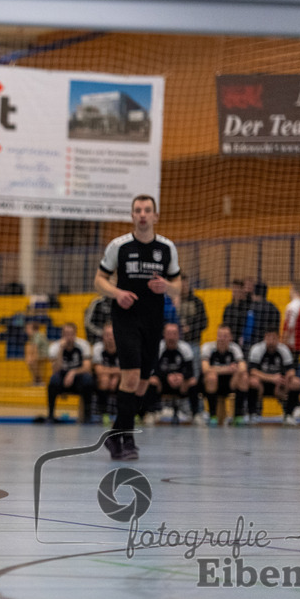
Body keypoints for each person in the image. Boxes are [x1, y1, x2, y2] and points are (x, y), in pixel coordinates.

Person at [94, 194, 181, 460]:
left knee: (142, 384)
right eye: (137, 210)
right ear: (132, 216)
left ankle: (114, 434)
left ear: (155, 216)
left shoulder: (167, 248)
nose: (142, 214)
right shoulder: (119, 246)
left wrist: (166, 287)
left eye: (147, 210)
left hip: (153, 322)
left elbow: (178, 286)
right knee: (130, 377)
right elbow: (99, 280)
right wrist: (116, 293)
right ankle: (127, 439)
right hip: (126, 319)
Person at [247, 329, 300, 425]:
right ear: (265, 338)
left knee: (296, 382)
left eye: (274, 338)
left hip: (280, 383)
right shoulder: (257, 349)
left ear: (278, 339)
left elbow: (291, 370)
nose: (271, 341)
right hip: (262, 383)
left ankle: (289, 415)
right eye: (268, 338)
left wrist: (284, 381)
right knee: (252, 381)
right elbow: (253, 371)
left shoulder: (283, 350)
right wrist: (272, 378)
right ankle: (252, 414)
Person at [146, 322, 198, 425]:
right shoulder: (158, 348)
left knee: (192, 381)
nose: (171, 337)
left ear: (178, 335)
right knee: (152, 380)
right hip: (163, 384)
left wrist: (182, 377)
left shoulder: (185, 348)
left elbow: (190, 371)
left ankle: (195, 415)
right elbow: (152, 369)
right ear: (164, 334)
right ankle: (150, 413)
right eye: (169, 333)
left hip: (181, 384)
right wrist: (166, 377)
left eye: (174, 333)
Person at [45, 322, 95, 423]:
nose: (68, 337)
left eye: (71, 334)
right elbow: (55, 370)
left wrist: (72, 372)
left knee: (88, 379)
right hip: (61, 377)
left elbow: (87, 368)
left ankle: (87, 416)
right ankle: (50, 415)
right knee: (53, 380)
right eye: (66, 334)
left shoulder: (83, 345)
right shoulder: (55, 347)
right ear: (62, 335)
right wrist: (61, 350)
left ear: (75, 334)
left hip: (78, 378)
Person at [200, 324, 247, 426]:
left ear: (230, 337)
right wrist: (227, 369)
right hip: (212, 385)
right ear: (216, 336)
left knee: (243, 377)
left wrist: (236, 370)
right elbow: (205, 369)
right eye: (220, 335)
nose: (222, 338)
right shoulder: (208, 347)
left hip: (230, 384)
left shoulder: (234, 348)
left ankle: (238, 416)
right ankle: (212, 416)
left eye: (225, 336)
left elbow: (243, 367)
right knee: (211, 376)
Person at [177, 274, 208, 380]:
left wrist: (190, 328)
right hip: (176, 343)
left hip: (193, 342)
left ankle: (194, 392)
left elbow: (204, 323)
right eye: (181, 284)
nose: (183, 286)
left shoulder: (197, 302)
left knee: (194, 370)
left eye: (185, 284)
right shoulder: (173, 300)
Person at [92, 323, 121, 422]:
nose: (110, 338)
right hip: (101, 380)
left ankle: (126, 413)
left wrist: (116, 378)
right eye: (107, 335)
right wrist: (115, 373)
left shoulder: (123, 348)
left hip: (121, 379)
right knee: (104, 380)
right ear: (103, 336)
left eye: (112, 334)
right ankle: (104, 413)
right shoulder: (97, 348)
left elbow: (126, 370)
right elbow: (98, 370)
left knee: (130, 380)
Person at [281, 283, 300, 361]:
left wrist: (283, 344)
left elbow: (289, 326)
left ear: (294, 290)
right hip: (299, 345)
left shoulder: (292, 306)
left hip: (291, 346)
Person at [24, 319, 50, 386]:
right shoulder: (33, 336)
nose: (26, 330)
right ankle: (36, 380)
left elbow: (35, 348)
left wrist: (32, 358)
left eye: (28, 328)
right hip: (40, 354)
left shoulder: (37, 335)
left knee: (31, 362)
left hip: (44, 354)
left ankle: (38, 380)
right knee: (30, 361)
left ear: (34, 329)